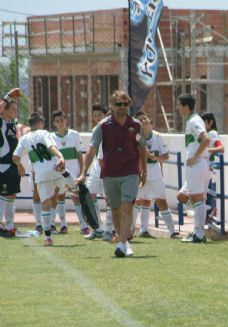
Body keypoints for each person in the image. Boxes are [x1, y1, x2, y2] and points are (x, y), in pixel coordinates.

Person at [78, 90, 147, 258]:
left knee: (126, 206)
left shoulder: (136, 125)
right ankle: (125, 242)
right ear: (111, 105)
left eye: (125, 104)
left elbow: (142, 148)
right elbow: (92, 150)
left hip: (131, 171)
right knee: (115, 209)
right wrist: (83, 173)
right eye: (118, 104)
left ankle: (122, 242)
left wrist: (144, 171)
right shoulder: (102, 126)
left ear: (129, 105)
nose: (121, 107)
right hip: (109, 173)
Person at [12, 113, 76, 246]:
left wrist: (20, 165)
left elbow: (15, 156)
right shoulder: (44, 133)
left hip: (41, 175)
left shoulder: (24, 138)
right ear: (41, 123)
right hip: (55, 170)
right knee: (74, 190)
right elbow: (50, 146)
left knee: (45, 203)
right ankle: (77, 197)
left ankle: (47, 237)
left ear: (30, 125)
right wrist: (60, 156)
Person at [131, 110, 178, 238]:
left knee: (161, 201)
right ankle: (133, 230)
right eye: (141, 120)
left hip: (155, 173)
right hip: (140, 173)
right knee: (137, 201)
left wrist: (156, 157)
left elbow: (166, 156)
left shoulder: (157, 136)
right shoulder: (135, 137)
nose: (144, 121)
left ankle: (172, 231)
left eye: (145, 119)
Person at [176, 93, 211, 243]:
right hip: (200, 164)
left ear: (186, 106)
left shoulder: (194, 120)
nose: (177, 108)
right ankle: (199, 228)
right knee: (190, 197)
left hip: (197, 164)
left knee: (197, 199)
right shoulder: (192, 120)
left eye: (179, 105)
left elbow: (206, 139)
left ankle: (199, 234)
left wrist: (195, 156)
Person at [50, 110, 88, 235]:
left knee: (76, 197)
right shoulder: (51, 137)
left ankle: (83, 226)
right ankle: (63, 225)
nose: (60, 123)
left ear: (66, 120)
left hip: (74, 173)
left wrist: (82, 172)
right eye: (57, 121)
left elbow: (79, 155)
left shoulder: (74, 134)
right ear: (54, 123)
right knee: (60, 197)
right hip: (59, 174)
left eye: (62, 120)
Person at [85, 103, 115, 241]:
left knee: (109, 199)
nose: (97, 118)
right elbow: (92, 150)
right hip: (97, 166)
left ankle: (109, 229)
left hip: (109, 166)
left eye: (100, 115)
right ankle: (97, 228)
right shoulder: (95, 130)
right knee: (89, 195)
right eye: (95, 115)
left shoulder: (113, 129)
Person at [0, 90, 22, 237]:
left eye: (16, 109)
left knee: (12, 195)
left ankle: (9, 226)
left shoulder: (13, 125)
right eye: (12, 109)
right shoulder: (1, 123)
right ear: (5, 111)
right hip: (4, 166)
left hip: (13, 166)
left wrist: (20, 164)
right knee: (3, 195)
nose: (15, 112)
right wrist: (8, 96)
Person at [202, 112, 224, 227]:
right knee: (203, 193)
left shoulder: (212, 133)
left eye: (203, 122)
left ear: (210, 122)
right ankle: (205, 216)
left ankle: (207, 215)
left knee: (206, 193)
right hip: (203, 167)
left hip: (207, 167)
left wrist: (207, 151)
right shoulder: (205, 133)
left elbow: (221, 148)